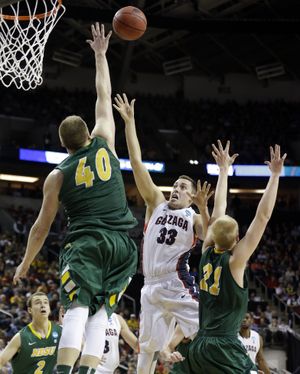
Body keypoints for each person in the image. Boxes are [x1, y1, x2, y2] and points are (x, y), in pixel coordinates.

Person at [13, 23, 138, 374]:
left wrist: (24, 265)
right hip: (124, 248)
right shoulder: (105, 140)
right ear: (89, 132)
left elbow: (40, 228)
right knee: (102, 313)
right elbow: (103, 93)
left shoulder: (57, 175)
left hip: (87, 245)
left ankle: (64, 370)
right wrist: (100, 54)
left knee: (78, 306)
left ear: (62, 145)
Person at [113, 94, 217, 374]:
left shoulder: (193, 216)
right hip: (149, 286)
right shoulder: (155, 204)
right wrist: (129, 123)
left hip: (176, 282)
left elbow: (211, 239)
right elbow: (136, 162)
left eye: (183, 187)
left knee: (209, 327)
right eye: (175, 184)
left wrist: (205, 210)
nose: (176, 188)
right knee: (146, 350)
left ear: (192, 195)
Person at [186, 144, 286, 373]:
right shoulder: (235, 262)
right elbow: (263, 216)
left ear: (212, 235)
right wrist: (276, 175)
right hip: (225, 346)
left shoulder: (206, 252)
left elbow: (218, 209)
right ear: (237, 239)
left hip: (201, 345)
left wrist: (223, 171)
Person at [0, 292, 62, 373]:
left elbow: (79, 346)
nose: (43, 305)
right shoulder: (21, 337)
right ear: (30, 310)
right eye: (38, 302)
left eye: (46, 302)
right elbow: (1, 361)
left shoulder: (59, 331)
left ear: (49, 308)